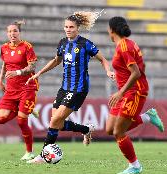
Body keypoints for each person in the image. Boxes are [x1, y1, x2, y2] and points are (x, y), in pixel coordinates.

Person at [26, 11, 115, 163]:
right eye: (66, 27)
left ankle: (43, 155)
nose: (68, 29)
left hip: (78, 88)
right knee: (57, 123)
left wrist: (108, 70)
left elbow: (103, 59)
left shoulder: (85, 44)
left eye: (71, 27)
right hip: (64, 87)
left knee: (54, 122)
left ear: (77, 28)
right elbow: (56, 61)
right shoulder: (62, 43)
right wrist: (39, 72)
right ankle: (86, 129)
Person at [106, 16, 165, 174]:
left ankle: (135, 166)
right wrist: (116, 78)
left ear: (112, 30)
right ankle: (148, 117)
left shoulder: (124, 46)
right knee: (110, 129)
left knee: (119, 132)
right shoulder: (125, 44)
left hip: (134, 92)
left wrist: (120, 92)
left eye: (108, 28)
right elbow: (128, 70)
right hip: (125, 91)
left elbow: (136, 73)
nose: (107, 31)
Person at [0, 20, 39, 161]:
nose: (12, 34)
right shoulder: (4, 48)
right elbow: (5, 63)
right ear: (7, 33)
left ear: (19, 32)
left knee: (21, 121)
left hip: (27, 86)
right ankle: (27, 109)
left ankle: (29, 152)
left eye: (15, 31)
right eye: (9, 31)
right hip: (11, 88)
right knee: (0, 119)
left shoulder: (26, 47)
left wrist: (18, 72)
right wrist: (0, 79)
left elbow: (32, 67)